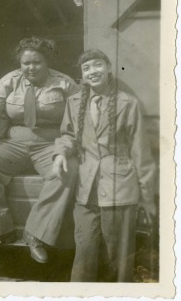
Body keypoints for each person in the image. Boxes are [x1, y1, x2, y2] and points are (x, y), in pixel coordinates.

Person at [0, 36, 79, 263]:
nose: (30, 68)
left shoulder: (65, 83)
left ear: (47, 62)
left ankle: (36, 235)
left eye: (36, 62)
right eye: (25, 63)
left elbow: (77, 124)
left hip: (50, 143)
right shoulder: (9, 81)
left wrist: (63, 151)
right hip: (14, 142)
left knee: (68, 169)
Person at [52, 49, 157, 281]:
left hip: (119, 190)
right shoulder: (74, 102)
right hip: (86, 189)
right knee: (84, 255)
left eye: (97, 65)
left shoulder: (127, 103)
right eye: (86, 68)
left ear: (109, 67)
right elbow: (68, 135)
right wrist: (60, 153)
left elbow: (141, 152)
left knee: (118, 258)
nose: (92, 71)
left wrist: (148, 198)